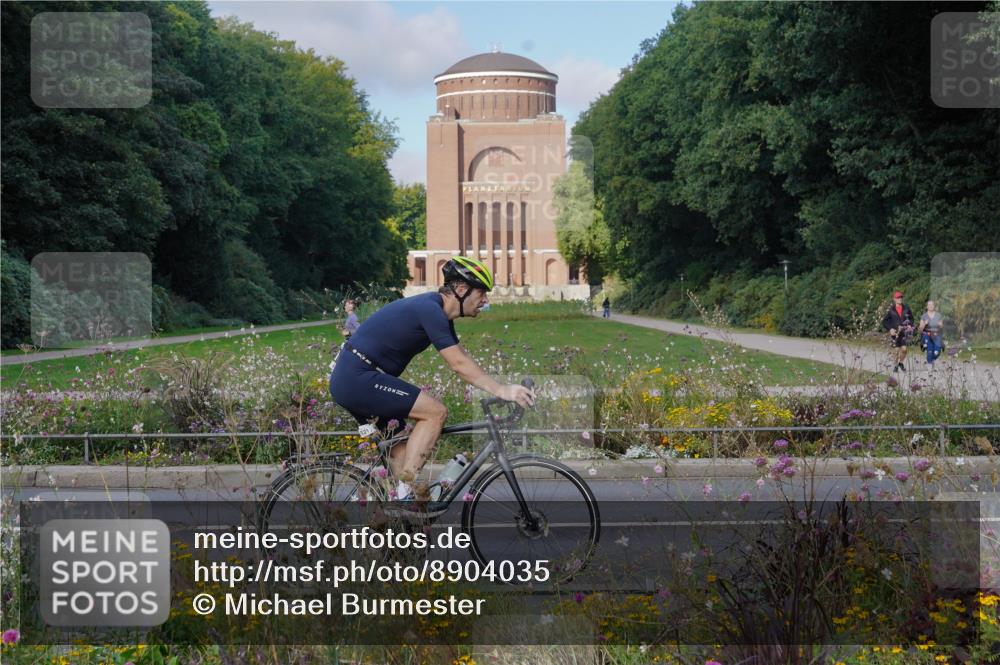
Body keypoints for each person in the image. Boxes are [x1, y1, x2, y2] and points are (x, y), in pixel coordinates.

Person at [328, 257, 535, 500]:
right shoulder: (430, 309)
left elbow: (461, 357)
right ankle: (406, 492)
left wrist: (496, 387)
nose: (485, 301)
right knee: (435, 413)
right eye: (481, 293)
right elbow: (458, 364)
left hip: (359, 377)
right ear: (461, 290)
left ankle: (399, 515)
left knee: (402, 452)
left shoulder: (437, 313)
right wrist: (502, 390)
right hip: (358, 377)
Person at [881, 290, 915, 373]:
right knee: (896, 350)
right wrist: (890, 329)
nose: (900, 299)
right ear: (894, 299)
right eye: (898, 297)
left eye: (901, 297)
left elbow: (911, 319)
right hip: (895, 333)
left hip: (904, 332)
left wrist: (909, 325)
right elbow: (885, 321)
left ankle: (900, 363)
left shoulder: (906, 308)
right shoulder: (891, 310)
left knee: (904, 350)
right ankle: (895, 365)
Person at [917, 300, 945, 367]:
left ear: (934, 306)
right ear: (927, 306)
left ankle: (932, 360)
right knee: (930, 349)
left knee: (937, 351)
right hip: (927, 334)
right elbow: (920, 329)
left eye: (932, 305)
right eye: (929, 305)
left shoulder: (938, 315)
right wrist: (924, 324)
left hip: (936, 334)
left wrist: (940, 325)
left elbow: (942, 326)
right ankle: (929, 364)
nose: (931, 306)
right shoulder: (924, 316)